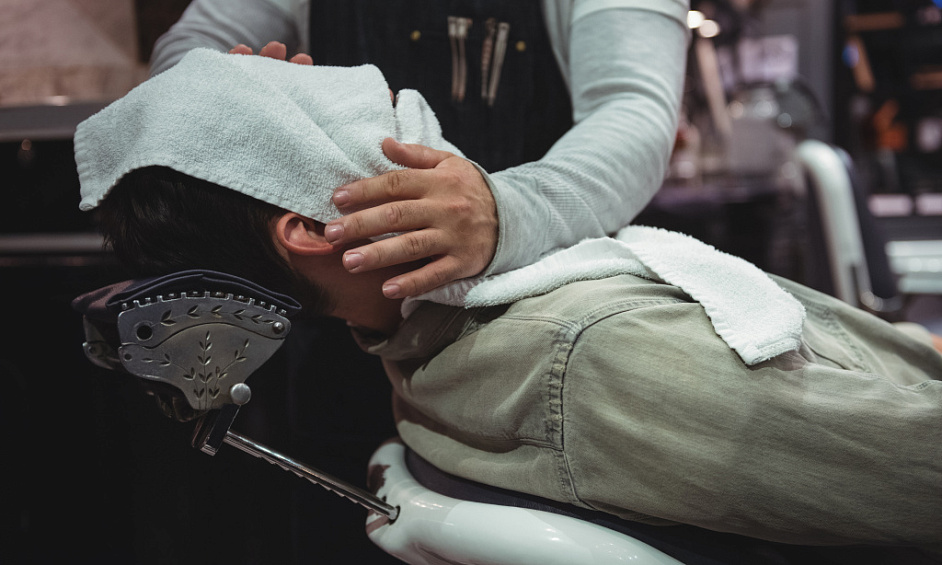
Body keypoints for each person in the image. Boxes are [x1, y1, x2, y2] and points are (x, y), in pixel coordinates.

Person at [75, 50, 941, 558]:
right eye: (318, 102)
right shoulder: (600, 356)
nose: (369, 73)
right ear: (314, 226)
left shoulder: (408, 343)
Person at [147, 0, 690, 297]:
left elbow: (632, 108)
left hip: (531, 301)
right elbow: (183, 52)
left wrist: (509, 211)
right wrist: (232, 93)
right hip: (342, 313)